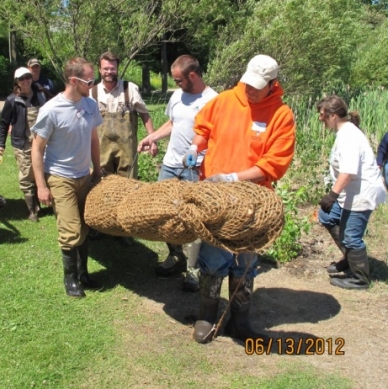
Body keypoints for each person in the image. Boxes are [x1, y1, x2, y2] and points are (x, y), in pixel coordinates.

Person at [183, 54, 296, 344]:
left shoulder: (281, 115)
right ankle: (207, 315)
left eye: (258, 86)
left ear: (273, 84)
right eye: (248, 83)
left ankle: (241, 321)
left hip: (253, 202)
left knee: (245, 260)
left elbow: (274, 163)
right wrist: (196, 148)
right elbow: (203, 129)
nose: (250, 90)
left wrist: (234, 177)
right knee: (212, 256)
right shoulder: (224, 100)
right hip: (217, 199)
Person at [137, 55, 217, 291]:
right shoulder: (177, 95)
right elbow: (172, 123)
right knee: (165, 212)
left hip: (196, 168)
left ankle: (193, 270)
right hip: (171, 164)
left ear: (193, 75)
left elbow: (218, 136)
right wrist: (152, 137)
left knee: (193, 219)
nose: (177, 84)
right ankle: (176, 256)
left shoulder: (214, 101)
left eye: (179, 80)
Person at [31, 57, 103, 298]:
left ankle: (83, 273)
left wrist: (98, 170)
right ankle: (70, 279)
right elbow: (37, 149)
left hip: (84, 175)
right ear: (74, 80)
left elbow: (93, 139)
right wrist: (41, 186)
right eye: (89, 80)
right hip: (60, 177)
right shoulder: (51, 110)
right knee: (71, 229)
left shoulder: (91, 105)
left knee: (85, 224)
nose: (93, 84)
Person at [317, 95, 386, 290]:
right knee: (327, 215)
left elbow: (348, 171)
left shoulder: (348, 136)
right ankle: (349, 258)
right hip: (351, 191)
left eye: (322, 115)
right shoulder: (344, 132)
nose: (320, 118)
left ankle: (361, 278)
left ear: (333, 116)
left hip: (362, 192)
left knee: (351, 237)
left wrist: (332, 195)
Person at [90, 51, 156, 246]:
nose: (109, 72)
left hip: (127, 148)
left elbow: (145, 114)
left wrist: (152, 139)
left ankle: (123, 230)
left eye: (112, 68)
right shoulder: (93, 91)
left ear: (117, 68)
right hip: (101, 147)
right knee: (101, 185)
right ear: (99, 69)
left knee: (128, 187)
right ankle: (101, 225)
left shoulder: (130, 89)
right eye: (105, 68)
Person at [0, 67, 48, 221]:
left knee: (44, 171)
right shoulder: (12, 100)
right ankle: (32, 210)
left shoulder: (41, 95)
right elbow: (3, 123)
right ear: (17, 82)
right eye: (22, 78)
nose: (26, 81)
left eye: (28, 77)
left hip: (42, 142)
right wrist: (0, 144)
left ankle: (44, 201)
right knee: (27, 174)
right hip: (22, 143)